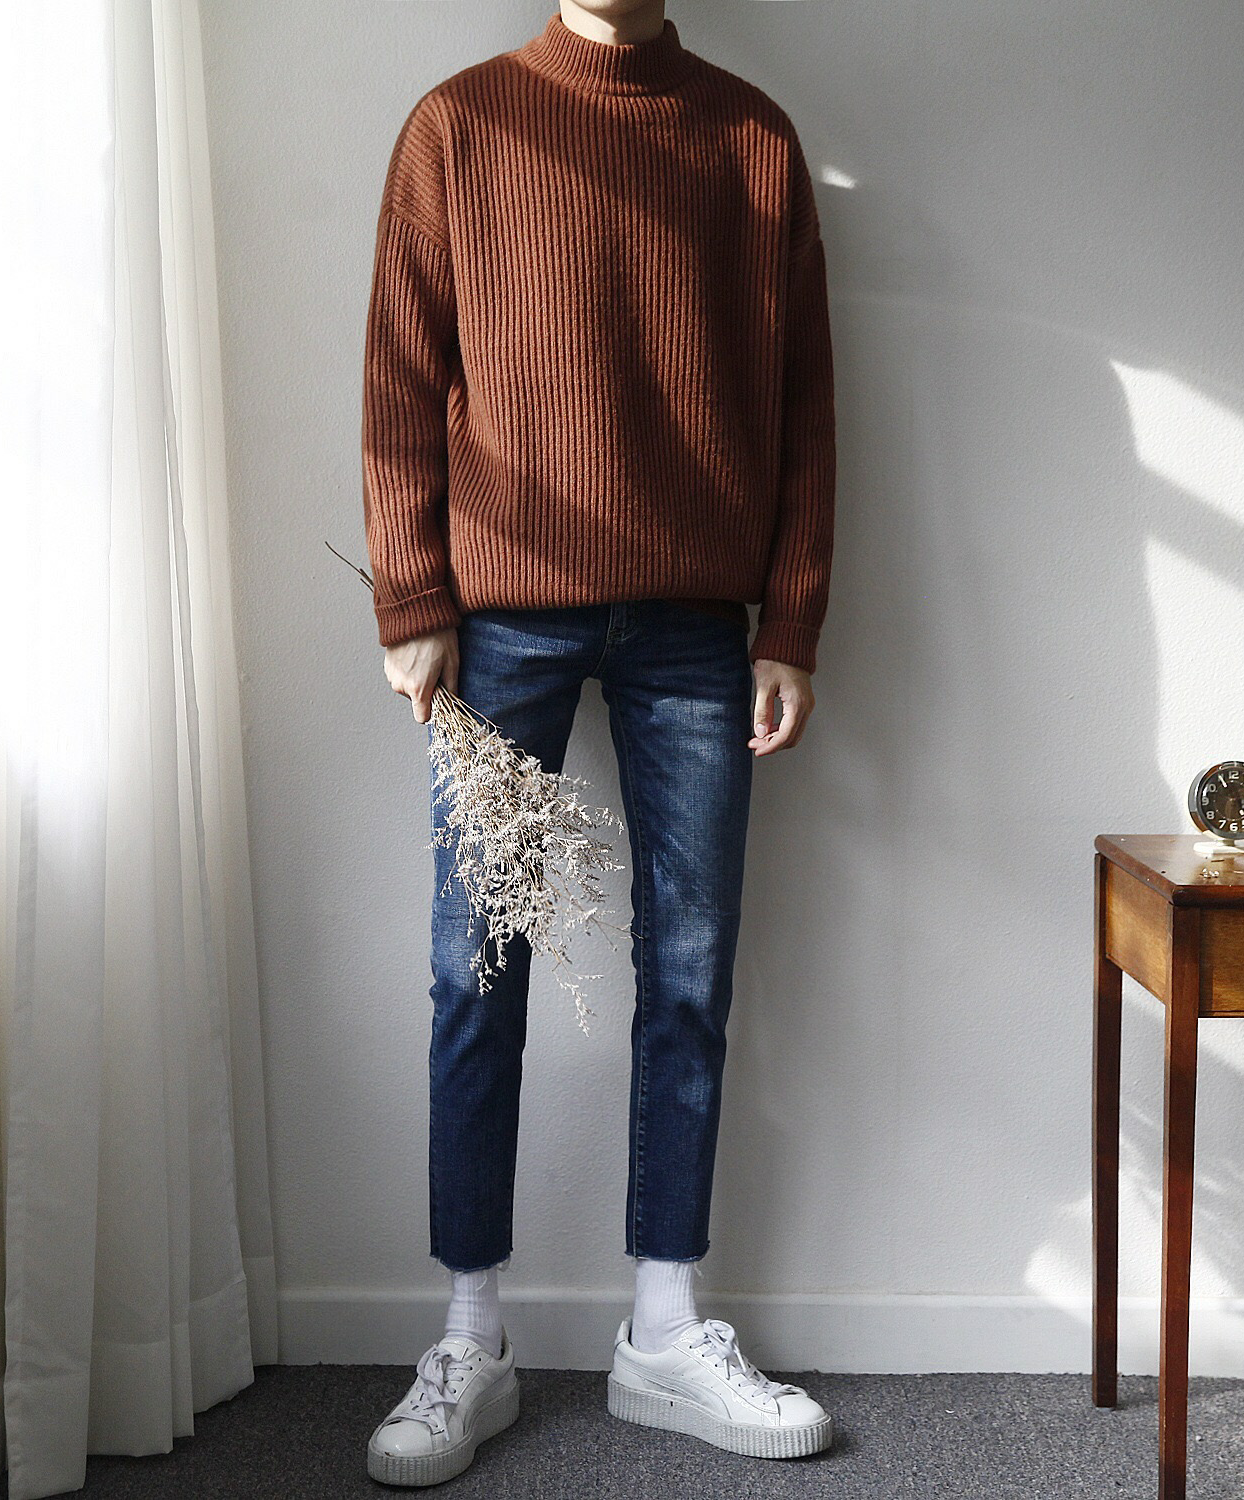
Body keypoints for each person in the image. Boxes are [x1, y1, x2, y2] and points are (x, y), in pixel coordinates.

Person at [358, 0, 837, 1485]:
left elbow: (807, 402)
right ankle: (471, 1335)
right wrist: (410, 596)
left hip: (698, 626)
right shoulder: (460, 124)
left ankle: (665, 1327)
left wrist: (792, 618)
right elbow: (400, 375)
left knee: (690, 970)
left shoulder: (751, 136)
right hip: (499, 623)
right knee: (474, 967)